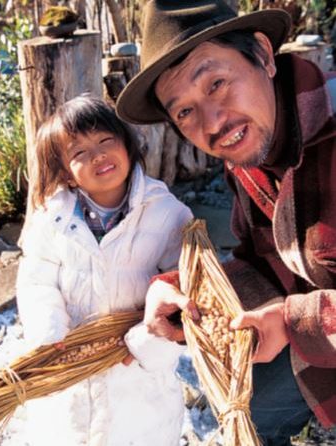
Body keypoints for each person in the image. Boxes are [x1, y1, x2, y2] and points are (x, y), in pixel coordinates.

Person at [116, 0, 336, 445]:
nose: (213, 123)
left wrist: (297, 323)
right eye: (184, 112)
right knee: (246, 409)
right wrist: (189, 294)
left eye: (216, 83)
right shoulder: (249, 152)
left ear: (263, 54)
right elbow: (265, 260)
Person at [16, 95, 193, 446]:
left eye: (105, 140)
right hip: (69, 379)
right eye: (79, 152)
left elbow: (186, 298)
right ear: (66, 171)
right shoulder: (51, 218)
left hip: (139, 383)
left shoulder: (168, 214)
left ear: (126, 144)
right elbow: (36, 281)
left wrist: (144, 346)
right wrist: (51, 338)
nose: (97, 155)